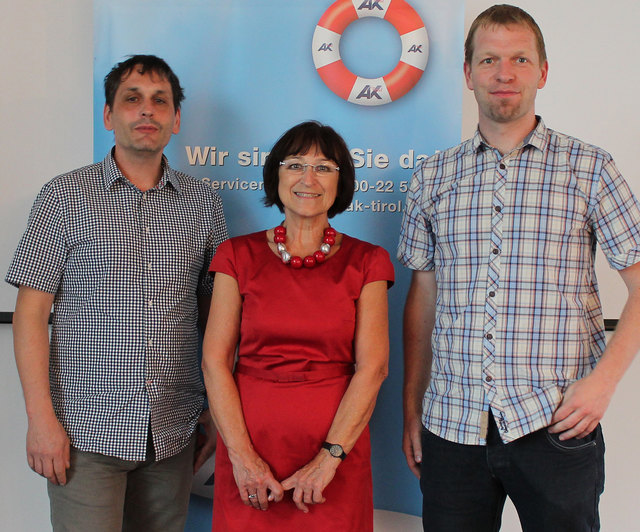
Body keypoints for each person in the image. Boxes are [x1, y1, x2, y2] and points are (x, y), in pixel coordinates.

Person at [398, 5, 640, 531]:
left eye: (519, 59)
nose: (503, 73)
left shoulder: (590, 168)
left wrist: (602, 385)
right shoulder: (432, 177)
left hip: (555, 425)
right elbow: (423, 299)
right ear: (468, 74)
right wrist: (411, 408)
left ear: (543, 72)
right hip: (451, 426)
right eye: (488, 60)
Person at [6, 54, 228, 531]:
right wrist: (41, 419)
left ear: (176, 119)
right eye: (132, 99)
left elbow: (214, 315)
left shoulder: (203, 203)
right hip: (84, 432)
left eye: (159, 101)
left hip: (172, 429)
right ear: (109, 116)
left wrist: (213, 408)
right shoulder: (64, 197)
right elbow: (30, 314)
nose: (146, 111)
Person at [202, 121, 394, 531]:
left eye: (324, 167)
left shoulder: (368, 261)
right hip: (247, 457)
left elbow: (373, 368)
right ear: (276, 175)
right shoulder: (235, 255)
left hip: (335, 461)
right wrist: (242, 458)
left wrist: (328, 460)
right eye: (295, 165)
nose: (309, 178)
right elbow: (214, 362)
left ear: (341, 182)